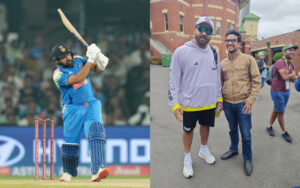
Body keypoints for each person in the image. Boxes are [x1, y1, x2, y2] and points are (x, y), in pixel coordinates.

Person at [168, 17, 223, 178]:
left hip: (208, 102)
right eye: (201, 29)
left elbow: (217, 77)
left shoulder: (214, 52)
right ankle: (187, 157)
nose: (204, 33)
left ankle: (203, 149)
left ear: (212, 34)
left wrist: (219, 98)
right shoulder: (181, 52)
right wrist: (174, 104)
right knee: (188, 130)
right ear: (195, 29)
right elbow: (173, 80)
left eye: (208, 30)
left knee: (206, 127)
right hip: (189, 104)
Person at [51, 43, 109, 182]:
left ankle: (98, 170)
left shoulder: (78, 59)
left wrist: (101, 62)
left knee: (96, 134)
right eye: (63, 57)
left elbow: (95, 69)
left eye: (68, 54)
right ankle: (69, 172)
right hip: (72, 109)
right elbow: (78, 78)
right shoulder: (57, 74)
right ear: (57, 60)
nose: (68, 58)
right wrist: (90, 59)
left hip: (91, 105)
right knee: (71, 143)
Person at [220, 30, 261, 176]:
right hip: (228, 104)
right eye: (227, 40)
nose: (230, 43)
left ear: (238, 43)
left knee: (246, 134)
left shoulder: (248, 60)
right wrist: (220, 100)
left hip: (243, 103)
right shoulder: (223, 63)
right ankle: (233, 149)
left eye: (232, 40)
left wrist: (250, 100)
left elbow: (257, 81)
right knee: (232, 130)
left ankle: (247, 159)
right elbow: (220, 82)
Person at [266, 44, 298, 143]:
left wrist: (296, 77)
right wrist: (293, 75)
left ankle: (269, 126)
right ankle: (284, 132)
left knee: (277, 108)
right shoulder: (280, 62)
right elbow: (285, 77)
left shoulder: (291, 64)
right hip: (277, 91)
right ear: (284, 52)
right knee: (281, 112)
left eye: (293, 50)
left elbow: (292, 80)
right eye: (290, 50)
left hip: (286, 91)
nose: (292, 52)